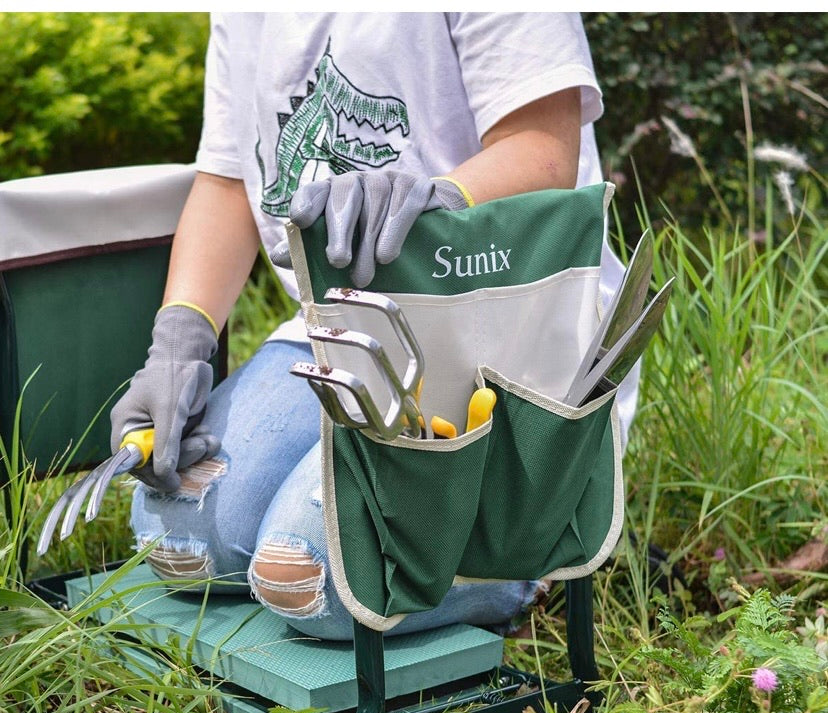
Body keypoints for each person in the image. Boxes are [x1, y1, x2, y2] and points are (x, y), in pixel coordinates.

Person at [111, 12, 637, 640]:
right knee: (178, 541)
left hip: (494, 336)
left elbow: (544, 150)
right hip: (340, 331)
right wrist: (179, 339)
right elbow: (228, 180)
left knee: (305, 576)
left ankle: (530, 549)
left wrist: (436, 196)